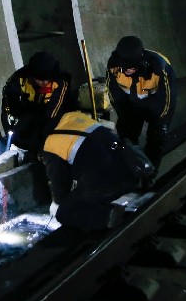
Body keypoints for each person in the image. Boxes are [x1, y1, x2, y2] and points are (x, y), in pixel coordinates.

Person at [38, 110, 141, 230]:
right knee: (87, 187)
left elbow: (60, 188)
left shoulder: (51, 144)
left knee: (64, 213)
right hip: (132, 170)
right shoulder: (71, 116)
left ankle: (108, 217)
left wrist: (57, 203)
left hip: (111, 183)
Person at [106, 35, 176, 168]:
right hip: (132, 105)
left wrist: (161, 122)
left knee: (157, 139)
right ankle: (130, 170)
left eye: (131, 68)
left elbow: (168, 98)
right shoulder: (114, 65)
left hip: (155, 105)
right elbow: (114, 94)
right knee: (126, 137)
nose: (127, 71)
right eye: (124, 68)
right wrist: (123, 115)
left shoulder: (159, 67)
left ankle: (149, 175)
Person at [0, 51, 73, 152]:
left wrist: (43, 144)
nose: (43, 83)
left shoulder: (60, 82)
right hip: (29, 110)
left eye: (46, 79)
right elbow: (9, 101)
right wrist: (12, 119)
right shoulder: (19, 78)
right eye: (39, 79)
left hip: (51, 114)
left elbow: (52, 115)